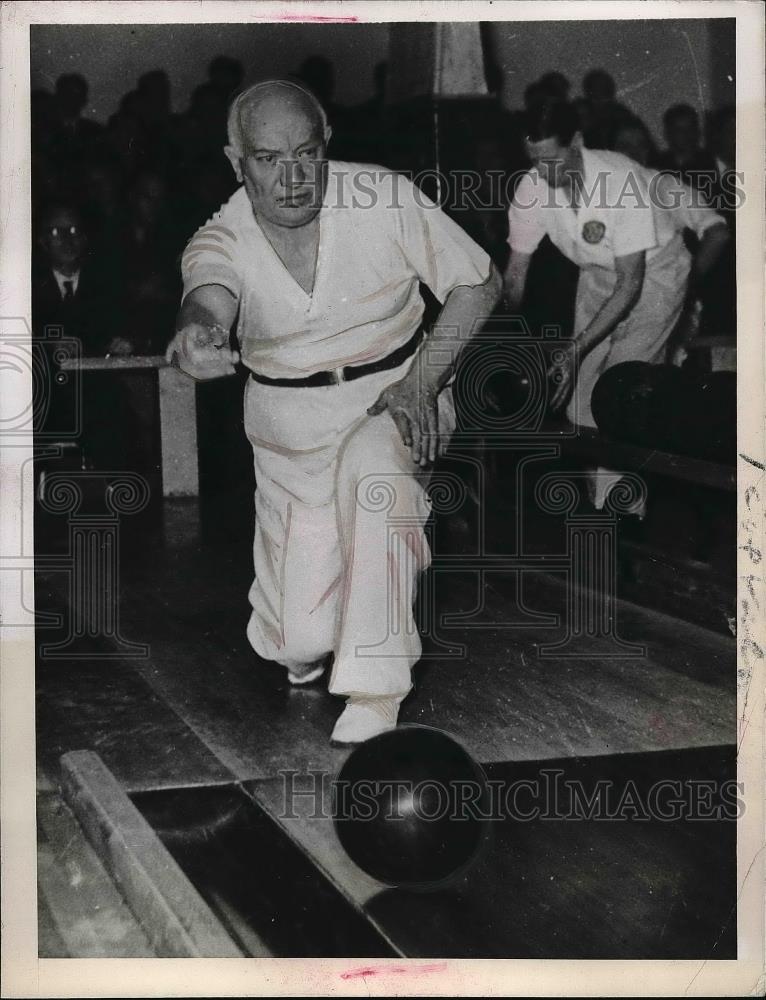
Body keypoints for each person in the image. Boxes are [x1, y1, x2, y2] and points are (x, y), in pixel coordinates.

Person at [164, 80, 501, 745]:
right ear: (237, 161)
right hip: (292, 433)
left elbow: (479, 282)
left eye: (306, 153)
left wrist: (422, 385)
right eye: (268, 159)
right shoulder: (221, 236)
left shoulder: (383, 195)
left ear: (327, 147)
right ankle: (312, 633)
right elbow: (207, 298)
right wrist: (197, 336)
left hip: (400, 394)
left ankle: (377, 691)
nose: (292, 177)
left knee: (376, 477)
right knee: (300, 638)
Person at [503, 99, 729, 504]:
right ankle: (603, 495)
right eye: (536, 162)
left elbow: (630, 284)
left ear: (576, 141)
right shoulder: (530, 188)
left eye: (553, 160)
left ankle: (619, 513)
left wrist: (575, 346)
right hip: (595, 276)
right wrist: (507, 338)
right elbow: (516, 273)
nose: (545, 173)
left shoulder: (619, 180)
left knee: (621, 387)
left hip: (655, 275)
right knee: (577, 396)